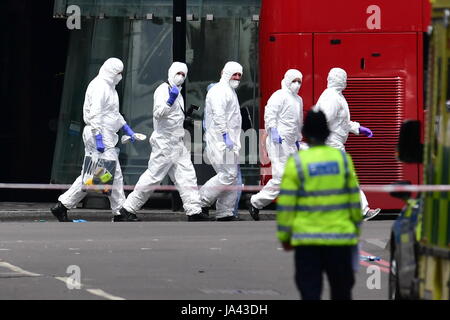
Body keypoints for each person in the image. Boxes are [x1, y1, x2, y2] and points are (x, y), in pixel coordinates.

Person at [277, 109, 362, 300]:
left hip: (308, 241)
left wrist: (285, 235)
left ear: (305, 134)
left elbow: (287, 204)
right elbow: (354, 200)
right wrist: (355, 230)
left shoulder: (297, 162)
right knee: (342, 292)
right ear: (327, 133)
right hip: (340, 239)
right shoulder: (342, 160)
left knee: (310, 292)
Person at [50, 57, 141, 222]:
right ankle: (120, 212)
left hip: (104, 134)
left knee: (93, 175)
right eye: (118, 73)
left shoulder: (110, 87)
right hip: (100, 134)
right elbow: (96, 114)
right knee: (113, 173)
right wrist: (98, 137)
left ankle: (62, 205)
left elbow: (113, 113)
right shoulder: (100, 86)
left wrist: (127, 129)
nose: (120, 76)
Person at [119, 62, 211, 222]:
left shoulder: (179, 94)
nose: (181, 77)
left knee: (187, 176)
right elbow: (158, 114)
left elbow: (173, 117)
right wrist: (170, 100)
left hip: (177, 142)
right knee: (153, 176)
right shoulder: (163, 90)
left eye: (183, 74)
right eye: (178, 73)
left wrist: (184, 119)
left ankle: (194, 211)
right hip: (165, 142)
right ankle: (128, 209)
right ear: (171, 73)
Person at [313, 67, 380, 221]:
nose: (345, 80)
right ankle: (362, 210)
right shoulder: (331, 98)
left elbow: (342, 122)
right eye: (343, 77)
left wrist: (358, 128)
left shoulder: (337, 96)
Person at [247, 69, 305, 221]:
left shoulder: (298, 99)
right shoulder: (279, 96)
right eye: (294, 81)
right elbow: (270, 114)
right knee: (281, 177)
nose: (297, 84)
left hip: (291, 143)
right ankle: (256, 202)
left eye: (299, 81)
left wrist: (298, 139)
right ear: (287, 80)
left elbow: (298, 122)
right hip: (278, 141)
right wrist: (272, 131)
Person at [199, 61, 243, 221]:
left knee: (231, 175)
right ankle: (201, 201)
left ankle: (225, 212)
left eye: (239, 75)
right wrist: (225, 135)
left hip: (228, 141)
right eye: (235, 74)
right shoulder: (220, 91)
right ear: (226, 73)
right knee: (229, 174)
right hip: (220, 141)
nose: (237, 78)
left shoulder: (229, 91)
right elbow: (218, 115)